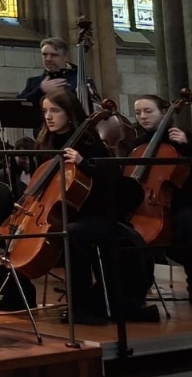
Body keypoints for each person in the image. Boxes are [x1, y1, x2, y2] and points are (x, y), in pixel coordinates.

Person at [35, 91, 154, 324]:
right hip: (62, 213)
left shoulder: (91, 146)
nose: (48, 117)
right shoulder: (46, 144)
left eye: (55, 111)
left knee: (74, 233)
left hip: (98, 214)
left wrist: (83, 163)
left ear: (70, 114)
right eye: (45, 111)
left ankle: (83, 306)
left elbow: (112, 182)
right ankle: (14, 297)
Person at [129, 94, 192, 304]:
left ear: (164, 113)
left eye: (149, 111)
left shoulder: (182, 139)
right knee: (127, 229)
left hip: (185, 201)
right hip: (149, 202)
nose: (142, 117)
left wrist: (188, 144)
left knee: (188, 225)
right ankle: (138, 284)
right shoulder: (138, 145)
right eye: (138, 113)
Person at [17, 37, 83, 105]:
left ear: (65, 56)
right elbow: (17, 105)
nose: (48, 59)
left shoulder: (79, 80)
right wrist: (41, 90)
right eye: (44, 55)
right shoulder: (33, 82)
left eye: (54, 55)